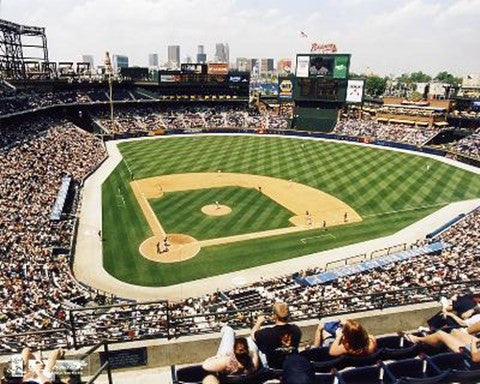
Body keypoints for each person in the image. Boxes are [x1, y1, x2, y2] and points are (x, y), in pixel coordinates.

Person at [250, 302, 302, 369]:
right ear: (288, 314)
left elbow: (253, 335)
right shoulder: (296, 329)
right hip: (293, 366)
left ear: (274, 315)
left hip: (276, 369)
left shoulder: (267, 333)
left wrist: (259, 322)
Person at [408, 329, 480, 362]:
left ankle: (418, 339)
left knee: (440, 334)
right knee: (454, 332)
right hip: (476, 349)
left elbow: (475, 358)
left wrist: (473, 343)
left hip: (469, 355)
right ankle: (431, 345)